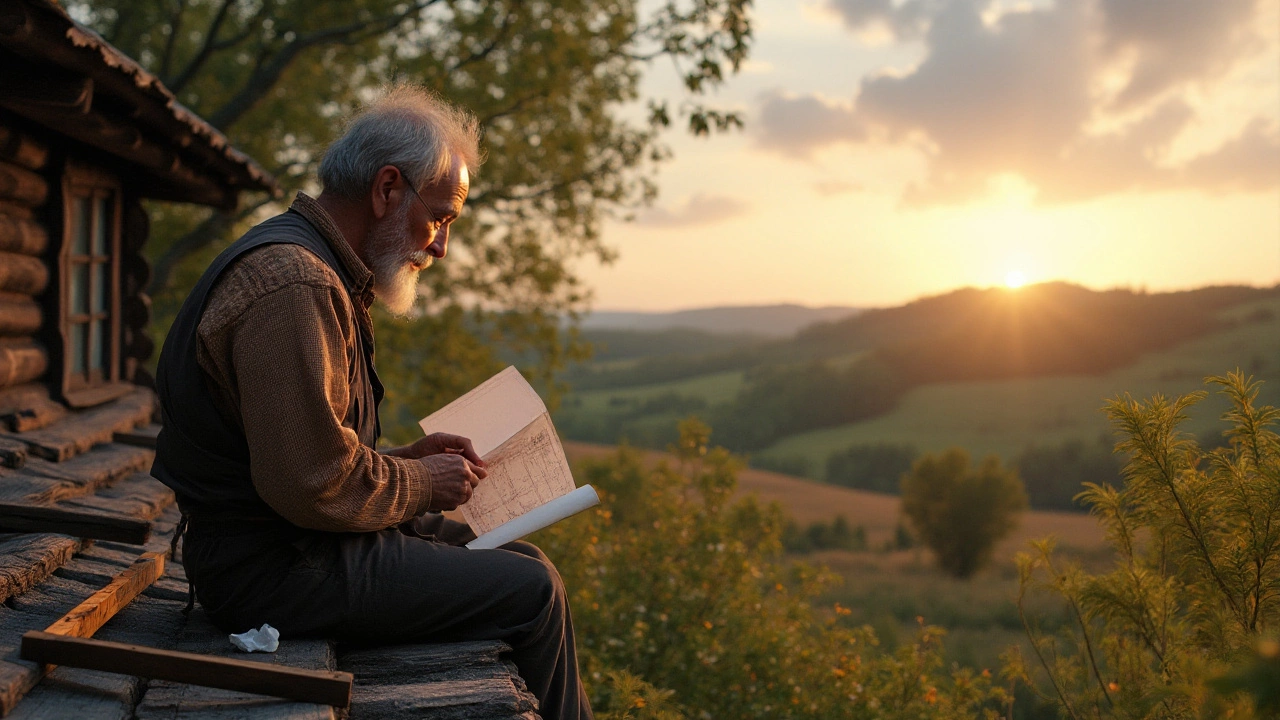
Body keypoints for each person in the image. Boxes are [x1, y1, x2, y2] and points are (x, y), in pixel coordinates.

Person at [151, 85, 592, 719]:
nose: (439, 246)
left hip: (295, 548)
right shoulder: (296, 282)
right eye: (440, 217)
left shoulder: (318, 266)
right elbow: (309, 483)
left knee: (518, 556)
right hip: (273, 572)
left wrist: (406, 458)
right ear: (388, 189)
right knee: (534, 592)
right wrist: (419, 480)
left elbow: (302, 448)